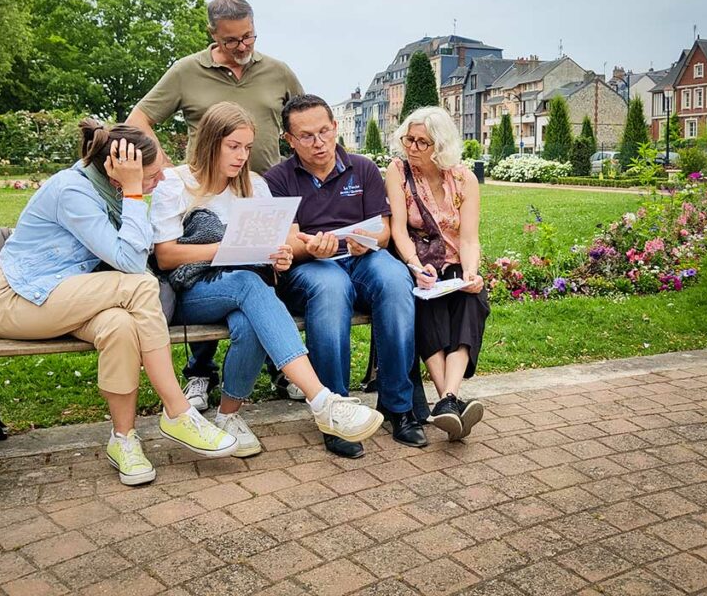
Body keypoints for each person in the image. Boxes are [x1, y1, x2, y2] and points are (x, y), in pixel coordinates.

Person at [0, 120, 238, 487]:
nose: (161, 180)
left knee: (120, 326)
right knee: (140, 286)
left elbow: (137, 248)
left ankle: (124, 439)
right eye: (151, 174)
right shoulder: (73, 191)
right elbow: (132, 264)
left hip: (65, 296)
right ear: (117, 173)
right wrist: (135, 193)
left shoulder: (110, 190)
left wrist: (134, 192)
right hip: (18, 300)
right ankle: (178, 412)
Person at [149, 102, 384, 457]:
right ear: (210, 143)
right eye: (233, 146)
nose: (242, 156)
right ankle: (323, 401)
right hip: (190, 293)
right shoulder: (175, 183)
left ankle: (228, 416)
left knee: (251, 316)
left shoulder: (255, 187)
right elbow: (165, 255)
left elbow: (269, 251)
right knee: (248, 285)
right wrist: (227, 249)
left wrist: (280, 256)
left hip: (244, 291)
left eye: (247, 147)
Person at [126, 0, 303, 408]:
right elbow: (139, 119)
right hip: (200, 196)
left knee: (253, 275)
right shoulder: (187, 71)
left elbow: (303, 118)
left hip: (258, 191)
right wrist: (169, 170)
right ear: (212, 35)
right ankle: (202, 373)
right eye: (231, 41)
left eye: (249, 37)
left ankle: (270, 378)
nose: (242, 47)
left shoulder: (278, 71)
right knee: (215, 268)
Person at [265, 95, 427, 458]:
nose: (319, 142)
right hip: (309, 268)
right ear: (288, 140)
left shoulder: (362, 168)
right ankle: (335, 412)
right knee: (331, 286)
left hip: (361, 257)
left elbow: (384, 232)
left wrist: (366, 240)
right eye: (306, 136)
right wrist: (312, 248)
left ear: (336, 127)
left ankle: (398, 407)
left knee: (395, 277)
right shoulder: (277, 179)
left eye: (324, 131)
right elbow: (289, 241)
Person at [384, 106, 489, 441]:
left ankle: (447, 399)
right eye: (408, 139)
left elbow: (469, 237)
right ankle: (451, 403)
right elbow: (398, 230)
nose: (412, 147)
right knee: (430, 305)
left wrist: (471, 273)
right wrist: (416, 267)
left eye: (422, 142)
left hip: (456, 261)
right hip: (419, 262)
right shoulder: (398, 170)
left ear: (440, 146)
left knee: (471, 301)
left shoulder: (464, 178)